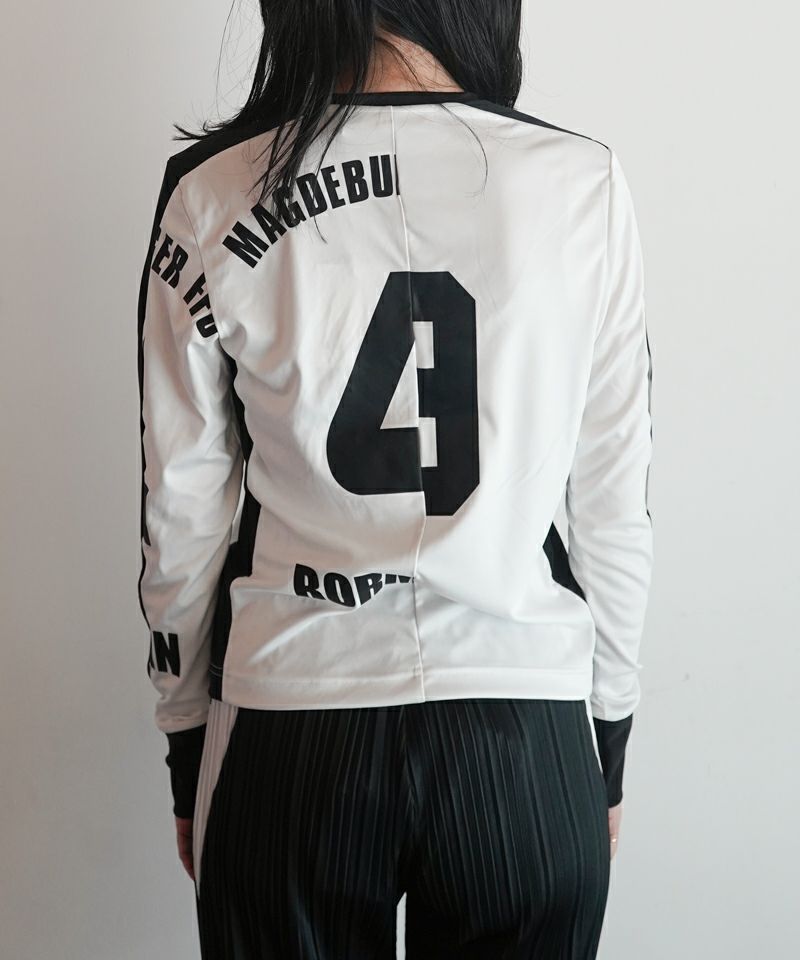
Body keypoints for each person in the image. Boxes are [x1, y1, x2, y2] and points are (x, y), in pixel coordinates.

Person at [137, 2, 654, 956]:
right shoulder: (583, 183)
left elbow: (182, 513)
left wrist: (186, 742)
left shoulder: (211, 192)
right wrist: (607, 743)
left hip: (293, 723)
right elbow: (614, 503)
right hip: (524, 728)